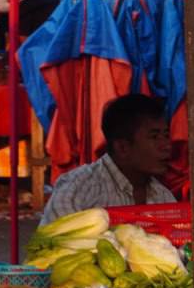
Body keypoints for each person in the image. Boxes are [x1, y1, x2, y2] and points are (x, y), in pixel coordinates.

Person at [40, 94, 175, 226]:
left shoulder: (163, 197)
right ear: (123, 148)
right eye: (155, 137)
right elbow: (52, 245)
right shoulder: (78, 188)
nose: (167, 146)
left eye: (166, 135)